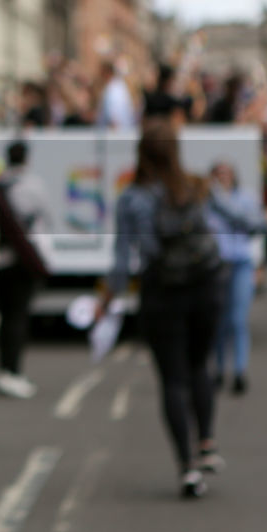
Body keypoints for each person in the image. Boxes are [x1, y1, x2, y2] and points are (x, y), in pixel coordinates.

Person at [96, 119, 224, 499]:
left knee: (172, 380)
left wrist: (107, 299)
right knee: (200, 365)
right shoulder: (197, 186)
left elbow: (122, 260)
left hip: (161, 292)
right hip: (205, 288)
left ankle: (186, 468)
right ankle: (207, 443)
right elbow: (239, 220)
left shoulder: (131, 198)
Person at [0, 141, 51, 399]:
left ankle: (3, 370)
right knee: (17, 317)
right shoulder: (33, 186)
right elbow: (45, 220)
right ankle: (12, 371)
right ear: (27, 158)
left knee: (4, 316)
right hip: (22, 263)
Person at [206, 162, 267, 395]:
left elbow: (258, 224)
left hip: (242, 264)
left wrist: (224, 203)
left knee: (238, 320)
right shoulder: (207, 202)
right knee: (220, 322)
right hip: (217, 266)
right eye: (218, 174)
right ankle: (219, 370)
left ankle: (239, 372)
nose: (223, 177)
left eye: (227, 173)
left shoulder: (246, 198)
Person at [96, 60, 138, 129]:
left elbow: (113, 117)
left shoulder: (113, 90)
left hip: (116, 134)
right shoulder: (118, 86)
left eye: (101, 72)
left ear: (107, 72)